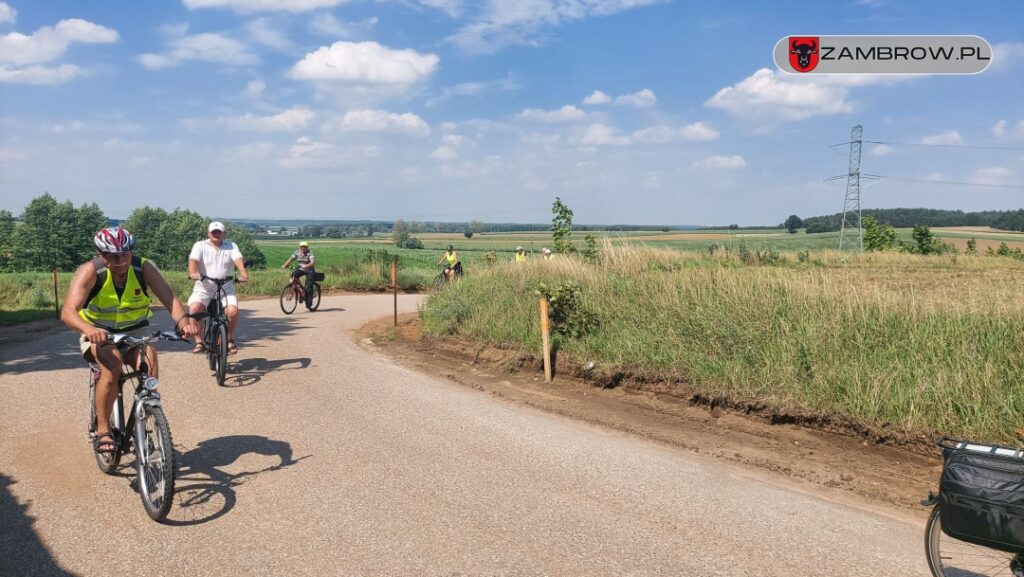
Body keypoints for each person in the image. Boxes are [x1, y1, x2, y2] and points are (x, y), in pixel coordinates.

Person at [61, 226, 199, 454]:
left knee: (150, 371)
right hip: (100, 334)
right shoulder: (91, 272)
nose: (119, 261)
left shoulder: (143, 267)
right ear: (100, 255)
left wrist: (184, 322)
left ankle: (145, 422)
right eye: (111, 256)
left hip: (136, 332)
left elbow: (169, 298)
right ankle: (104, 429)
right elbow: (68, 311)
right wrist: (88, 328)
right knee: (113, 367)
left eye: (124, 254)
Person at [187, 221, 249, 355]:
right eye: (213, 232)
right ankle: (199, 341)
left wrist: (243, 273)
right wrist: (193, 273)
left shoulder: (231, 246)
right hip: (203, 287)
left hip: (225, 287)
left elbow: (238, 259)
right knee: (194, 310)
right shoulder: (200, 245)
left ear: (224, 234)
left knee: (232, 311)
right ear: (208, 233)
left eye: (219, 232)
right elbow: (193, 260)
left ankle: (228, 338)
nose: (216, 234)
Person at [281, 241, 316, 308]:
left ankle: (309, 302)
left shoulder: (310, 252)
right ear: (299, 247)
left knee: (309, 287)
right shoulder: (296, 252)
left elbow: (313, 262)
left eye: (304, 247)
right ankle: (301, 289)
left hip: (309, 270)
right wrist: (285, 265)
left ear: (307, 247)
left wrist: (306, 266)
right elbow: (290, 259)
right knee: (293, 275)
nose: (303, 248)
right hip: (300, 269)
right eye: (302, 247)